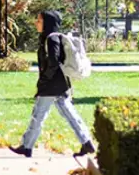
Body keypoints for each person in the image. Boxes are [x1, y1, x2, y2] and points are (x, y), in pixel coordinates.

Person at [9, 10, 95, 158]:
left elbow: (53, 62)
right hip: (60, 84)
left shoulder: (51, 39)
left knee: (38, 114)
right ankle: (86, 142)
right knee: (69, 113)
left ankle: (27, 146)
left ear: (47, 23)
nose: (36, 23)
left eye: (39, 20)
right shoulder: (50, 38)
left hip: (51, 85)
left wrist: (44, 80)